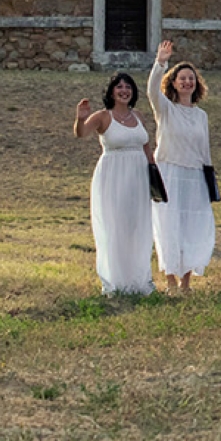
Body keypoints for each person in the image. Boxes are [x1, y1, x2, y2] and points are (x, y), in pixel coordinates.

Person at [74, 72, 154, 295]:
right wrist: (81, 118)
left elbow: (146, 146)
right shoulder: (102, 116)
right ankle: (116, 282)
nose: (124, 90)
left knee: (137, 227)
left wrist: (154, 174)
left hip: (139, 176)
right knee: (115, 226)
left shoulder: (138, 115)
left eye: (128, 86)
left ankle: (139, 280)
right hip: (113, 175)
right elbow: (81, 134)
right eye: (119, 87)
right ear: (111, 92)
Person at [148, 40, 215, 293]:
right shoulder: (165, 109)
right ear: (173, 83)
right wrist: (160, 62)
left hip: (195, 176)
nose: (187, 82)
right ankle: (170, 280)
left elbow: (204, 149)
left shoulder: (201, 116)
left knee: (192, 227)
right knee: (169, 226)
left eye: (191, 79)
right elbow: (152, 91)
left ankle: (186, 282)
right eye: (182, 78)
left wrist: (209, 178)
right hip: (169, 173)